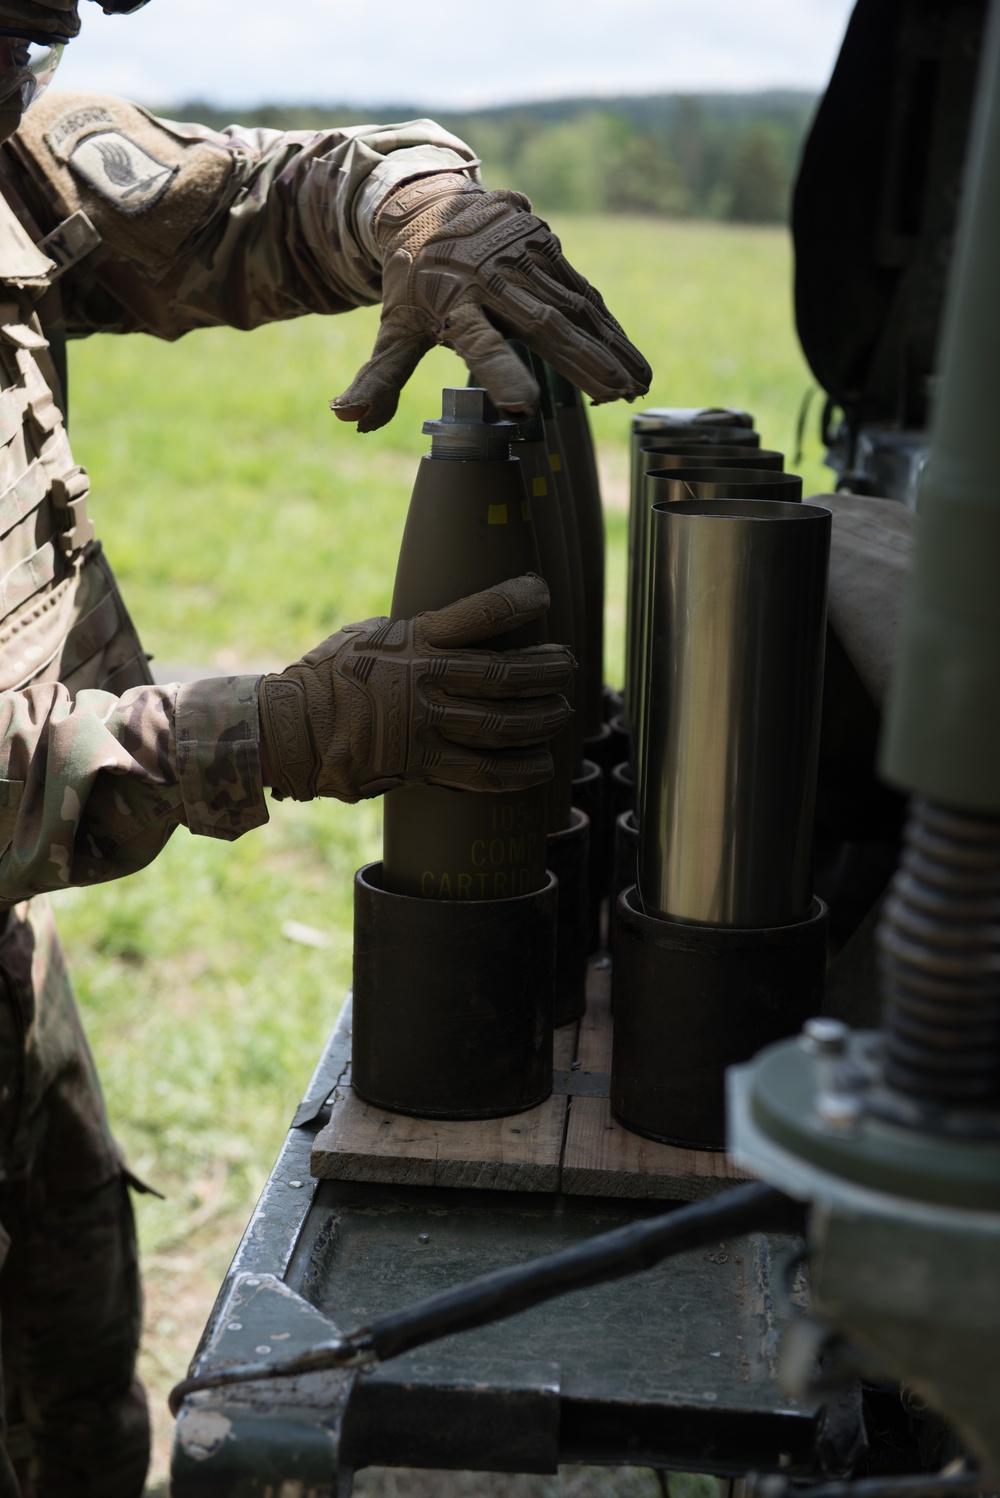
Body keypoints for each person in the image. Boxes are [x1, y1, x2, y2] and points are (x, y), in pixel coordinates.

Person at [0, 3, 651, 1493]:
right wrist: (273, 729)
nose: (31, 61)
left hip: (12, 985)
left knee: (79, 1409)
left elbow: (261, 197)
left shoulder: (18, 165)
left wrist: (422, 208)